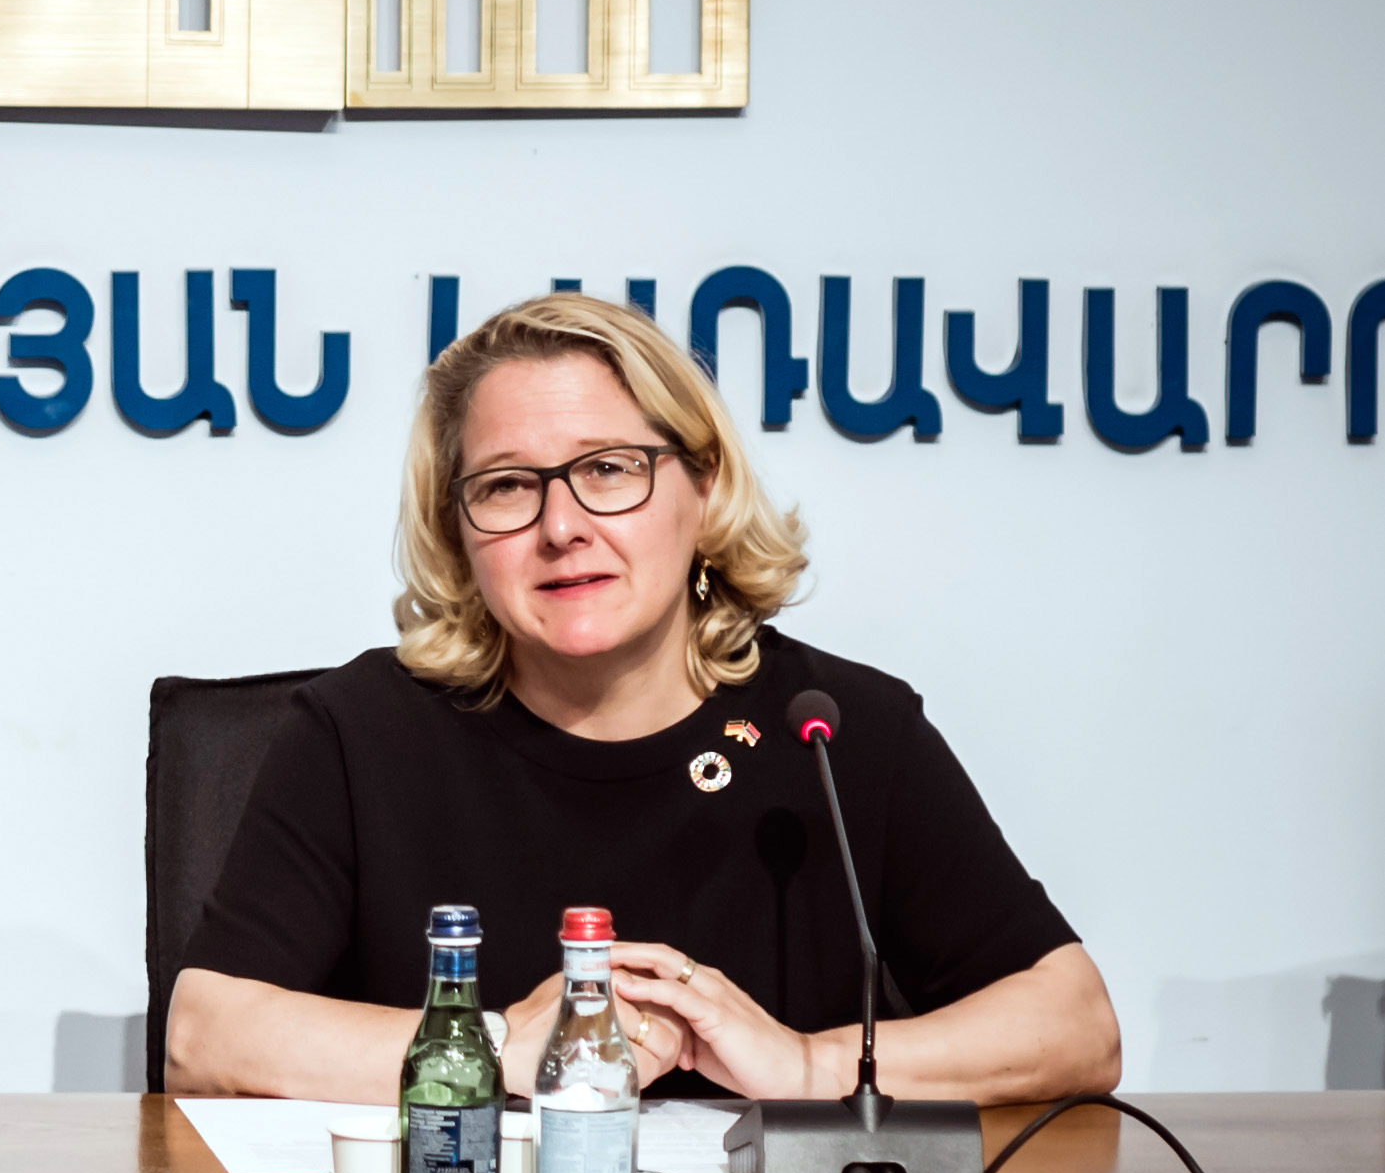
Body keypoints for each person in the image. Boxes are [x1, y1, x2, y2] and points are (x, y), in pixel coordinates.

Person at [166, 292, 1120, 1109]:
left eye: (609, 469)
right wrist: (501, 1047)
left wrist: (806, 1063)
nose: (561, 526)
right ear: (458, 535)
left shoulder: (837, 733)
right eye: (506, 487)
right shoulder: (362, 731)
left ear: (700, 489)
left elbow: (1072, 1024)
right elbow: (205, 1037)